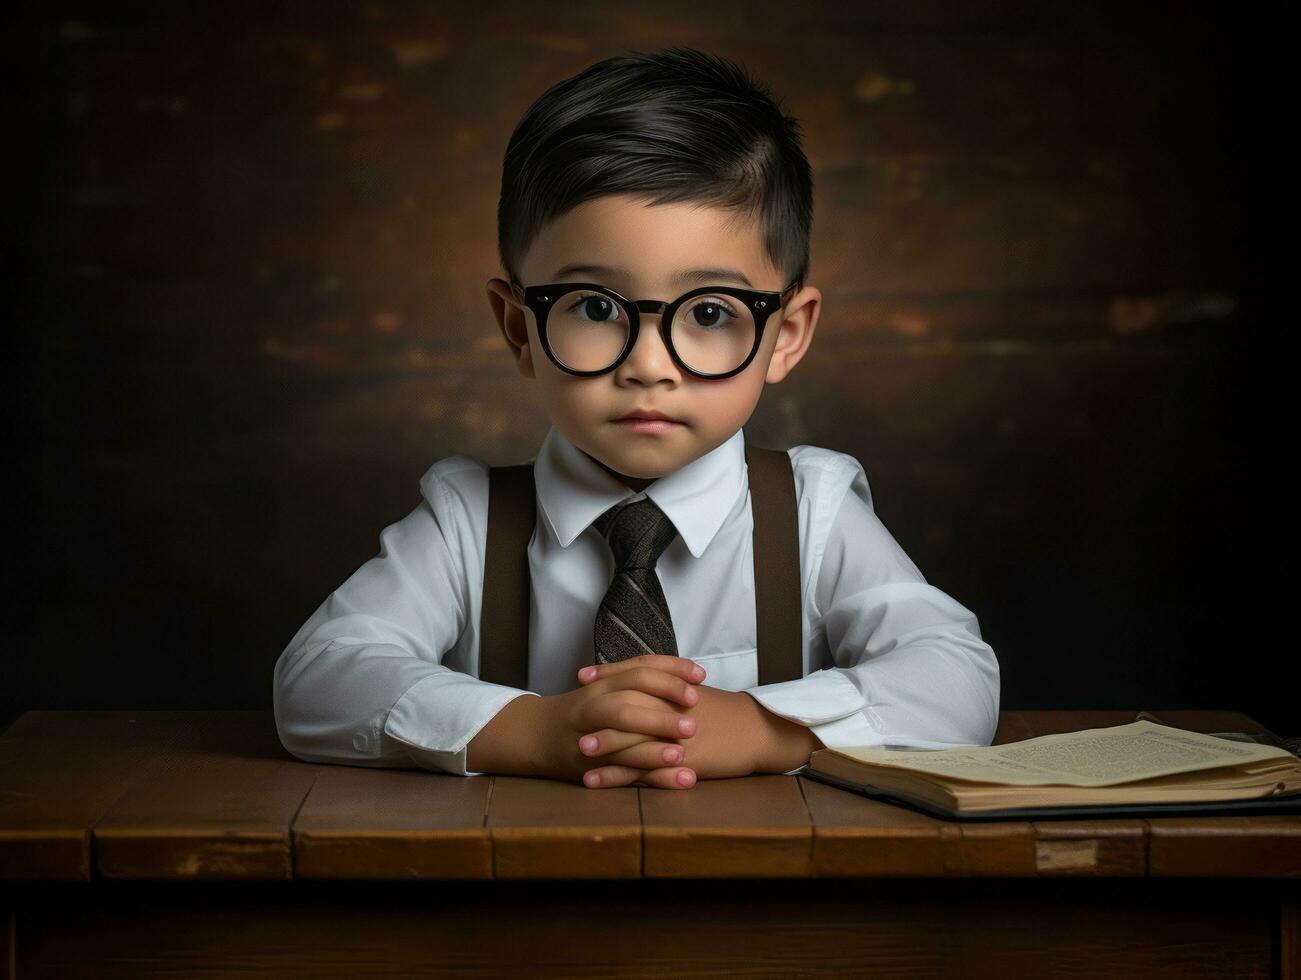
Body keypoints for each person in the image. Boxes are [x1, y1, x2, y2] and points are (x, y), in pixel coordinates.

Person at [273, 46, 999, 792]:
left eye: (710, 312)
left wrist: (761, 727)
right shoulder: (468, 522)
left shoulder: (811, 512)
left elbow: (955, 677)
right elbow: (319, 678)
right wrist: (534, 731)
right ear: (519, 328)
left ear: (784, 335)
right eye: (593, 307)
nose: (648, 364)